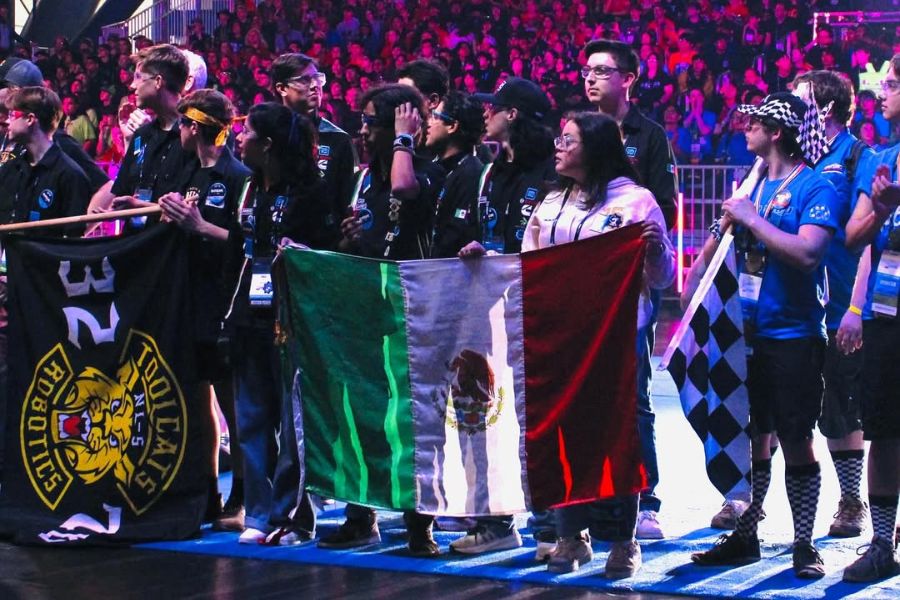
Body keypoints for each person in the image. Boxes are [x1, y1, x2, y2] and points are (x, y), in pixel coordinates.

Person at [690, 93, 840, 579]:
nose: (744, 129)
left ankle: (803, 542)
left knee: (795, 435)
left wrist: (752, 218)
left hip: (792, 332)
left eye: (752, 123)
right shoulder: (750, 186)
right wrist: (729, 219)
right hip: (742, 331)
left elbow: (807, 253)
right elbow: (715, 254)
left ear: (777, 131)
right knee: (750, 435)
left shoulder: (815, 186)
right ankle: (746, 533)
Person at [519, 111, 674, 578]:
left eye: (569, 140)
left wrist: (655, 250)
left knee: (615, 436)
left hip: (614, 341)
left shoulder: (637, 201)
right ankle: (571, 534)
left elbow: (663, 277)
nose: (559, 147)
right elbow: (530, 264)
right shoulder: (548, 203)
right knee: (562, 432)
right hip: (559, 337)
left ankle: (623, 541)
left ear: (595, 147)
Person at [320, 83, 445, 556]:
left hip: (410, 314)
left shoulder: (422, 169)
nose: (362, 129)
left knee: (411, 422)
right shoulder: (359, 179)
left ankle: (420, 526)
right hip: (364, 309)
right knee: (361, 415)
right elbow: (366, 233)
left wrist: (402, 139)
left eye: (372, 121)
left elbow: (404, 188)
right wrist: (351, 241)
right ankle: (361, 516)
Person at [453, 76, 556, 557]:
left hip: (539, 312)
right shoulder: (493, 171)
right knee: (492, 419)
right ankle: (497, 522)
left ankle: (555, 523)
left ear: (512, 114)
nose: (486, 114)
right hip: (490, 313)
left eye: (493, 107)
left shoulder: (553, 173)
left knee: (538, 418)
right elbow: (490, 231)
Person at [581, 37, 676, 541]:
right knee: (587, 391)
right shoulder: (577, 131)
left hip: (632, 284)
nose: (591, 78)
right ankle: (592, 495)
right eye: (587, 70)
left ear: (628, 79)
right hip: (583, 284)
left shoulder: (650, 137)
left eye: (602, 70)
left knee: (634, 392)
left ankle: (647, 499)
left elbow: (663, 209)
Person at [231, 103, 338, 545]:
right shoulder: (248, 187)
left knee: (294, 424)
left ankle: (292, 515)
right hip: (247, 314)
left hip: (292, 317)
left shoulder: (312, 192)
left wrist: (301, 252)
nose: (238, 138)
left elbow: (329, 250)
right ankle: (257, 515)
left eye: (246, 132)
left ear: (268, 145)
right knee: (251, 419)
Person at [156, 89, 251, 532]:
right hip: (190, 298)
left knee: (235, 404)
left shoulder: (238, 176)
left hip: (225, 299)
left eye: (182, 124)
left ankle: (245, 493)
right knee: (198, 403)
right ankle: (208, 491)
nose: (178, 131)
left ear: (195, 126)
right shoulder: (190, 172)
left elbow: (247, 242)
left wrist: (199, 226)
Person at [795, 70, 876, 540]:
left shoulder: (858, 158)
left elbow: (869, 237)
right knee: (797, 408)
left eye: (799, 98)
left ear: (822, 108)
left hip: (842, 304)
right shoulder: (794, 158)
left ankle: (853, 501)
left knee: (844, 406)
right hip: (795, 306)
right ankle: (755, 501)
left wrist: (855, 308)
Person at [842, 53, 900, 583]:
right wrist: (856, 309)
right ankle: (882, 542)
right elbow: (856, 239)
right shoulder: (881, 158)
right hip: (886, 315)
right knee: (884, 430)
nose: (881, 93)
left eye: (892, 84)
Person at [88, 44, 193, 218]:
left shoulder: (194, 135)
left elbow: (191, 211)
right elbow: (127, 190)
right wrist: (128, 140)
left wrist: (139, 206)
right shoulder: (141, 134)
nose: (132, 85)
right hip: (136, 239)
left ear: (158, 82)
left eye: (138, 77)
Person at [272, 53, 357, 229]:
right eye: (304, 80)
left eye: (317, 78)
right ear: (282, 88)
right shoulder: (267, 135)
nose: (314, 86)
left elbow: (345, 203)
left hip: (320, 243)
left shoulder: (338, 139)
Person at [0, 86, 91, 236]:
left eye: (12, 114)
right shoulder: (13, 168)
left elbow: (73, 241)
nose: (7, 121)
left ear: (30, 119)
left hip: (48, 259)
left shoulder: (71, 175)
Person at [425, 90, 484, 258]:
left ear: (452, 126)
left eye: (435, 116)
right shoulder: (433, 166)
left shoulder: (472, 172)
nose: (428, 123)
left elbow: (455, 236)